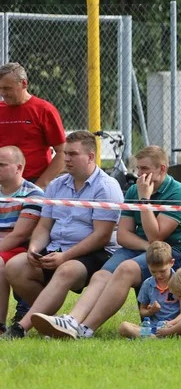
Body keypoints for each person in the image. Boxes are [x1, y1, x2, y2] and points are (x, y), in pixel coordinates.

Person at [29, 146, 181, 340]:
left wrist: (144, 199)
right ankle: (72, 321)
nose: (140, 174)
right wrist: (146, 246)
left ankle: (85, 329)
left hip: (174, 253)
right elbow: (123, 236)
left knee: (126, 269)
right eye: (138, 169)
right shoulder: (134, 189)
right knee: (101, 275)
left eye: (145, 169)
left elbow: (155, 237)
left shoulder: (178, 193)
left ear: (162, 169)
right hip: (140, 248)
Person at [4, 131, 123, 339]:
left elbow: (102, 236)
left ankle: (20, 328)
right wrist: (34, 248)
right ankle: (54, 322)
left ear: (90, 156)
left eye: (73, 154)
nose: (66, 159)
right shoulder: (56, 185)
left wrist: (64, 257)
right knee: (15, 266)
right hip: (58, 248)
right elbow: (43, 227)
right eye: (65, 153)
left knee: (66, 269)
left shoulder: (106, 187)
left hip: (97, 253)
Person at [0, 62, 66, 188]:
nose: (3, 93)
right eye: (0, 89)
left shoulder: (44, 110)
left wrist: (40, 185)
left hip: (34, 182)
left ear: (24, 83)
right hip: (3, 185)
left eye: (8, 88)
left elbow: (62, 152)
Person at [0, 146, 44, 333]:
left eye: (1, 165)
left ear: (18, 168)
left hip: (19, 248)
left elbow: (19, 235)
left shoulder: (34, 194)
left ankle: (0, 325)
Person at [116, 241, 181, 338]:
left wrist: (170, 325)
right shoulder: (148, 284)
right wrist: (150, 311)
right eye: (153, 271)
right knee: (124, 327)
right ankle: (152, 337)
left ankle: (151, 337)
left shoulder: (180, 282)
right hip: (153, 327)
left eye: (162, 271)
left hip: (174, 326)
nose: (158, 275)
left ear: (171, 263)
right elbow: (142, 311)